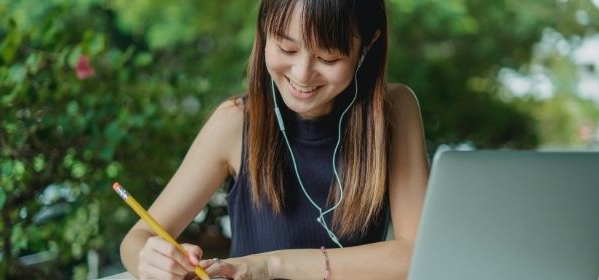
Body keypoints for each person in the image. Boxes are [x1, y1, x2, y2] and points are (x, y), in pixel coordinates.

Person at [119, 0, 429, 279]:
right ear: (265, 31)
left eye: (328, 58)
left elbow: (416, 254)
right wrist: (149, 261)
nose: (303, 74)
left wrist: (271, 265)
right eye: (287, 49)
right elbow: (137, 239)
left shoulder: (394, 111)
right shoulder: (235, 122)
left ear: (368, 44)